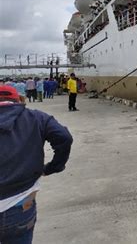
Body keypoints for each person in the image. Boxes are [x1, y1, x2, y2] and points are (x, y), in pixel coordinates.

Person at [0, 85, 73, 244]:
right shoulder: (36, 117)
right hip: (20, 205)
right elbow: (64, 137)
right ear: (18, 99)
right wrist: (53, 167)